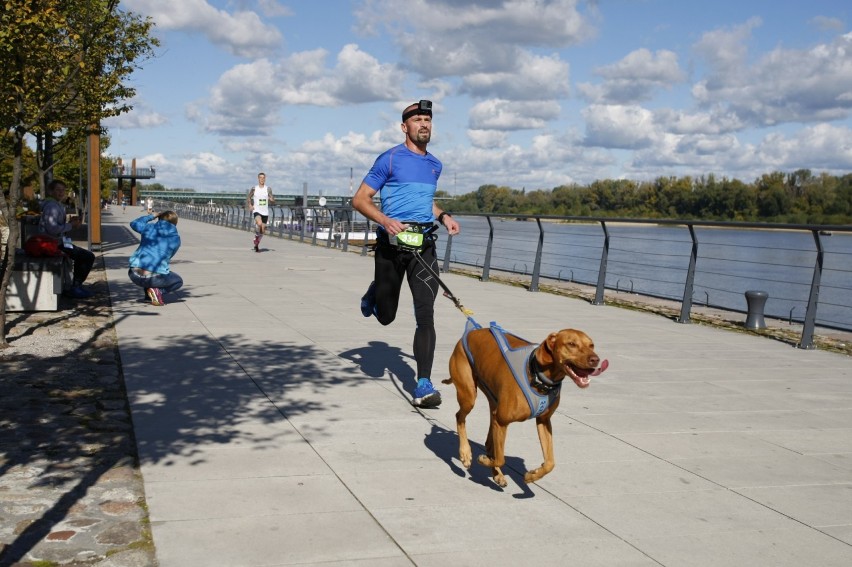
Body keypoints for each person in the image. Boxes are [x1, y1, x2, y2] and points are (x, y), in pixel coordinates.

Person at [352, 100, 461, 408]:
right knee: (386, 317)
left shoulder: (435, 164)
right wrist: (385, 220)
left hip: (423, 247)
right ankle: (375, 291)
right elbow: (360, 199)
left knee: (425, 313)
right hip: (391, 247)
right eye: (417, 120)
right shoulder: (389, 159)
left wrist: (443, 216)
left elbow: (424, 201)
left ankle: (423, 383)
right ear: (405, 127)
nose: (424, 124)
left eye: (427, 120)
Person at [39, 179, 96, 299]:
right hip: (53, 243)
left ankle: (76, 284)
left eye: (63, 190)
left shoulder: (56, 205)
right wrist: (71, 225)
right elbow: (53, 228)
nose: (61, 193)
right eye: (58, 190)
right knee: (86, 256)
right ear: (51, 191)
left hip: (59, 241)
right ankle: (75, 287)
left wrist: (69, 223)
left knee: (81, 254)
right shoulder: (52, 206)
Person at [127, 210, 182, 306]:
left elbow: (134, 223)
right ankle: (158, 291)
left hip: (133, 273)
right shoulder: (176, 238)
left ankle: (149, 296)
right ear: (175, 222)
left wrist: (151, 216)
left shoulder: (149, 228)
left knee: (147, 266)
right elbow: (168, 256)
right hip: (153, 277)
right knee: (178, 281)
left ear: (159, 218)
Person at [247, 172, 275, 252]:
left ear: (265, 179)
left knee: (262, 231)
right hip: (257, 210)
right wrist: (250, 205)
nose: (262, 179)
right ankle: (256, 236)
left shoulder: (268, 189)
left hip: (265, 212)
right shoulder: (254, 188)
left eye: (263, 178)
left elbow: (272, 199)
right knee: (259, 224)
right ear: (258, 178)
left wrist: (272, 200)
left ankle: (256, 244)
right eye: (260, 178)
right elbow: (249, 197)